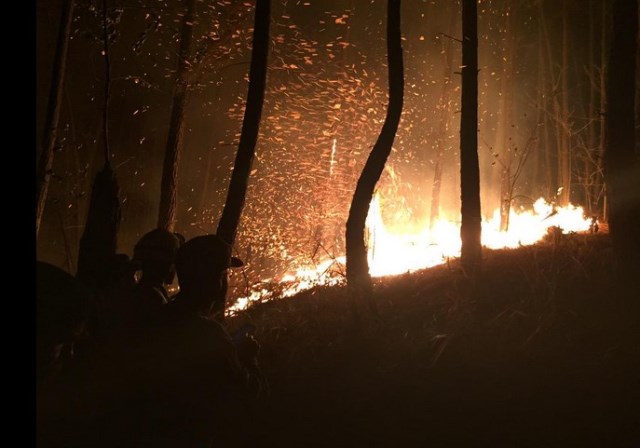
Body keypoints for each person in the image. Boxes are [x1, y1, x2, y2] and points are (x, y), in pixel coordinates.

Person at [137, 234, 263, 447]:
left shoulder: (156, 319)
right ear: (217, 281)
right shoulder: (209, 334)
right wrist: (248, 359)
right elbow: (245, 397)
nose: (227, 281)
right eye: (225, 275)